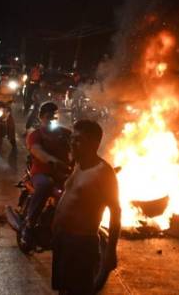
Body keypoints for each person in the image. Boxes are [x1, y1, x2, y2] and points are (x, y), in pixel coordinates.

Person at [52, 120, 121, 295]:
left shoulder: (103, 172)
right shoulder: (79, 164)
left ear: (94, 144)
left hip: (81, 244)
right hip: (64, 240)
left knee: (79, 290)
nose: (72, 144)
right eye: (72, 139)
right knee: (63, 289)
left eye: (78, 140)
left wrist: (110, 252)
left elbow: (116, 212)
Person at [20, 102, 71, 251]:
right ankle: (29, 225)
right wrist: (53, 161)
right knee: (45, 184)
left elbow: (78, 147)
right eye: (48, 117)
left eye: (55, 116)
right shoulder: (36, 135)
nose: (52, 120)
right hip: (42, 173)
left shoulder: (66, 133)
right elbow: (37, 151)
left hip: (64, 174)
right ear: (41, 117)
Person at [0, 71, 17, 148]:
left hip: (6, 108)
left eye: (5, 79)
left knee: (11, 124)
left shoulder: (11, 89)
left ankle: (12, 139)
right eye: (2, 79)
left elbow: (14, 97)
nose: (4, 81)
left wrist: (12, 100)